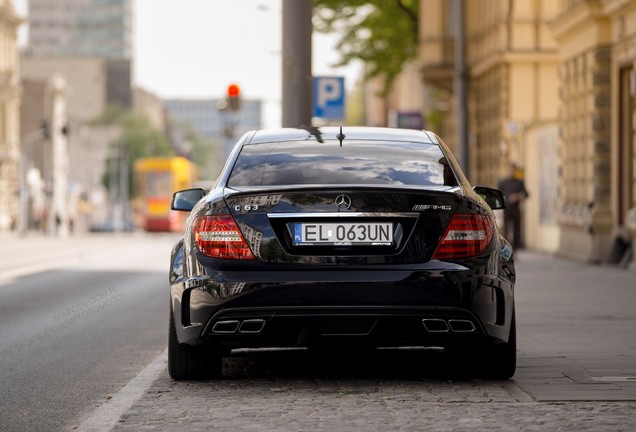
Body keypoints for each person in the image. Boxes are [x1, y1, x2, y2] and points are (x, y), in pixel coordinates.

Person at [498, 163, 529, 249]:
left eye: (513, 170)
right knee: (506, 230)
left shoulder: (519, 182)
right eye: (509, 170)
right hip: (506, 209)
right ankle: (506, 248)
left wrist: (517, 196)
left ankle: (515, 249)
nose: (511, 172)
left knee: (516, 230)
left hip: (516, 209)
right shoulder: (502, 182)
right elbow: (499, 194)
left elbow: (526, 194)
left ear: (515, 171)